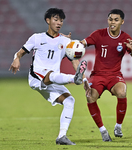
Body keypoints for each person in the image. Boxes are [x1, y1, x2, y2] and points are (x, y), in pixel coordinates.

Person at [9, 8, 87, 145]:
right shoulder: (37, 38)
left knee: (70, 101)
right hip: (37, 77)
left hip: (53, 80)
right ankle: (74, 79)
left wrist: (84, 78)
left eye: (61, 20)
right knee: (51, 74)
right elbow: (20, 52)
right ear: (48, 20)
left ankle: (61, 136)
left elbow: (75, 61)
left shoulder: (65, 41)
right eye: (56, 19)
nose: (59, 23)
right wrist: (16, 59)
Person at [81, 9, 132, 142]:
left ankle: (118, 126)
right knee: (90, 97)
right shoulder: (98, 34)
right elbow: (82, 44)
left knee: (122, 92)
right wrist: (72, 44)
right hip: (98, 75)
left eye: (116, 20)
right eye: (110, 19)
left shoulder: (126, 38)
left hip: (114, 76)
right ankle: (103, 131)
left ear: (122, 22)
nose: (112, 22)